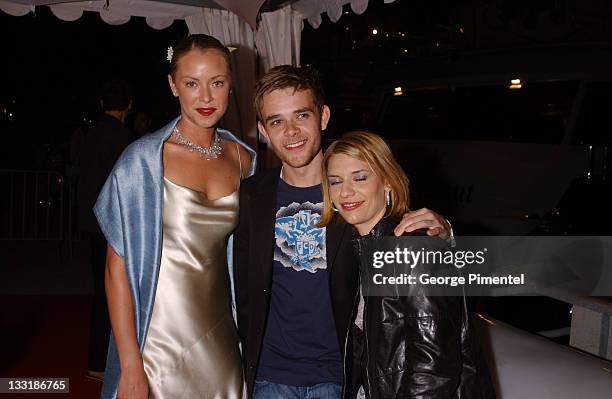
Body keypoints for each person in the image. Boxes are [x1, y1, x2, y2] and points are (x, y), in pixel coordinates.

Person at [233, 65, 451, 399]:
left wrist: (443, 231)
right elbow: (244, 291)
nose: (291, 131)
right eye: (277, 121)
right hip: (269, 376)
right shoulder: (251, 195)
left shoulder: (352, 191)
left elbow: (400, 232)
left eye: (301, 115)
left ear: (323, 116)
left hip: (344, 377)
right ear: (263, 130)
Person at [95, 34, 255, 399]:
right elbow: (114, 271)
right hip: (157, 346)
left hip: (223, 340)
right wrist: (131, 366)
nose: (205, 97)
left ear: (231, 83)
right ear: (172, 85)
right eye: (191, 84)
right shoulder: (142, 162)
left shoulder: (245, 160)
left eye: (216, 83)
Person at [319, 131, 496, 398]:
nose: (345, 192)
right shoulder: (362, 246)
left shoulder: (412, 247)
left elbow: (433, 370)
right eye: (335, 182)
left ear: (387, 183)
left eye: (360, 177)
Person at [77, 79, 134, 380]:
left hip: (92, 223)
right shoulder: (126, 139)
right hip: (115, 225)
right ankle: (101, 362)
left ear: (102, 105)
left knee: (102, 291)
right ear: (129, 106)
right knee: (114, 292)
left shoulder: (89, 135)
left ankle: (97, 359)